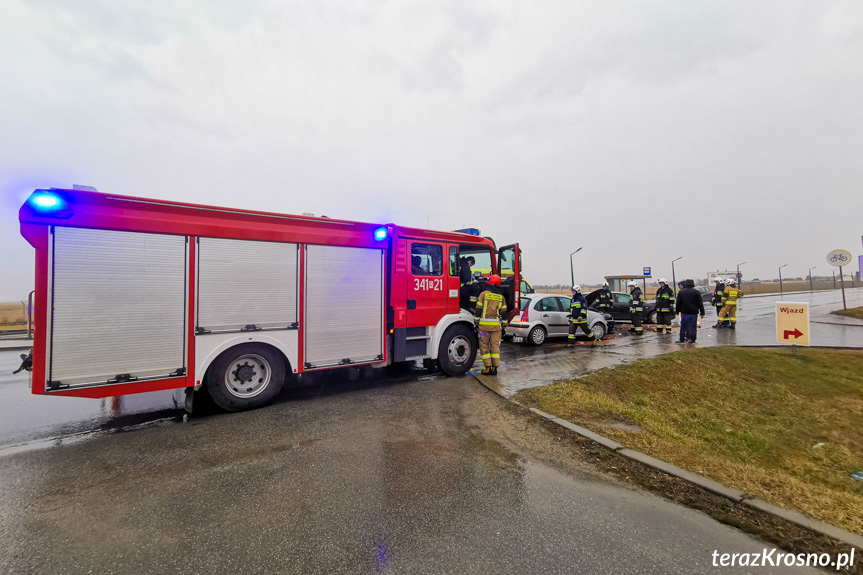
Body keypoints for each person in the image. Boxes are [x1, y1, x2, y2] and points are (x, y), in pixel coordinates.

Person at [474, 274, 507, 375]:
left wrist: (475, 323)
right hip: (496, 328)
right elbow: (504, 314)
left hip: (484, 329)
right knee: (495, 347)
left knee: (484, 346)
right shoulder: (501, 297)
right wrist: (504, 327)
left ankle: (487, 368)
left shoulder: (483, 295)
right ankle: (495, 368)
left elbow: (478, 310)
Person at [675, 279, 705, 343]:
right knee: (693, 327)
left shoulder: (681, 292)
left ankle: (681, 339)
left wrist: (677, 311)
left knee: (683, 327)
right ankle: (693, 340)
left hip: (684, 312)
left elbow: (678, 303)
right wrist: (702, 313)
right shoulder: (697, 292)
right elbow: (700, 303)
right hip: (694, 312)